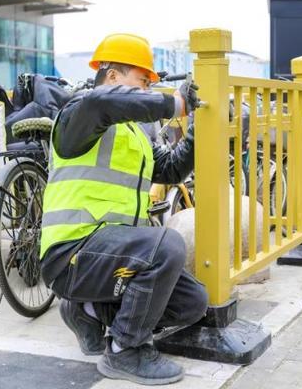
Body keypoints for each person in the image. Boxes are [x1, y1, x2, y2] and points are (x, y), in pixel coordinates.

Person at [40, 33, 208, 384]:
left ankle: (87, 308)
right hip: (72, 253)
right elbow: (101, 104)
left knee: (192, 302)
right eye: (143, 81)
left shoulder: (136, 133)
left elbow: (172, 168)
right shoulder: (80, 111)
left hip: (113, 255)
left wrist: (200, 131)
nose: (148, 89)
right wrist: (173, 104)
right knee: (166, 244)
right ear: (112, 75)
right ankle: (124, 350)